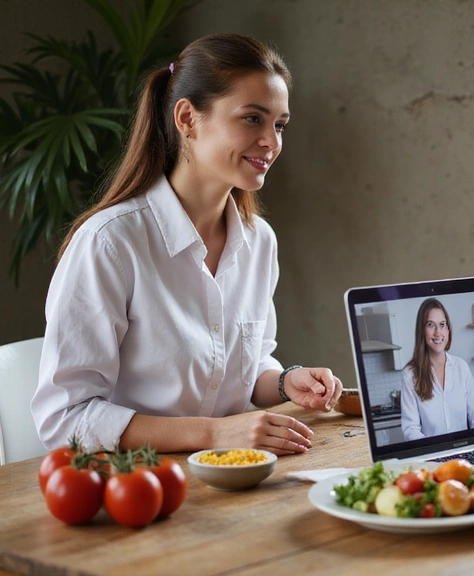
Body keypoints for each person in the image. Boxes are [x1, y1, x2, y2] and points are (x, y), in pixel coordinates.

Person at [32, 33, 343, 457]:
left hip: (234, 479)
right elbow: (65, 418)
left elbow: (247, 368)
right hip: (138, 488)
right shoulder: (110, 244)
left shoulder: (259, 242)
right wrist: (214, 435)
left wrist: (287, 380)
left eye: (280, 124)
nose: (272, 141)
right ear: (187, 119)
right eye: (253, 118)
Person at [400, 298, 474, 440]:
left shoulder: (461, 367)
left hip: (464, 455)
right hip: (431, 458)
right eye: (430, 325)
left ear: (448, 330)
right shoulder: (410, 375)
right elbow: (411, 429)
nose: (437, 332)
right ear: (421, 330)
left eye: (442, 325)